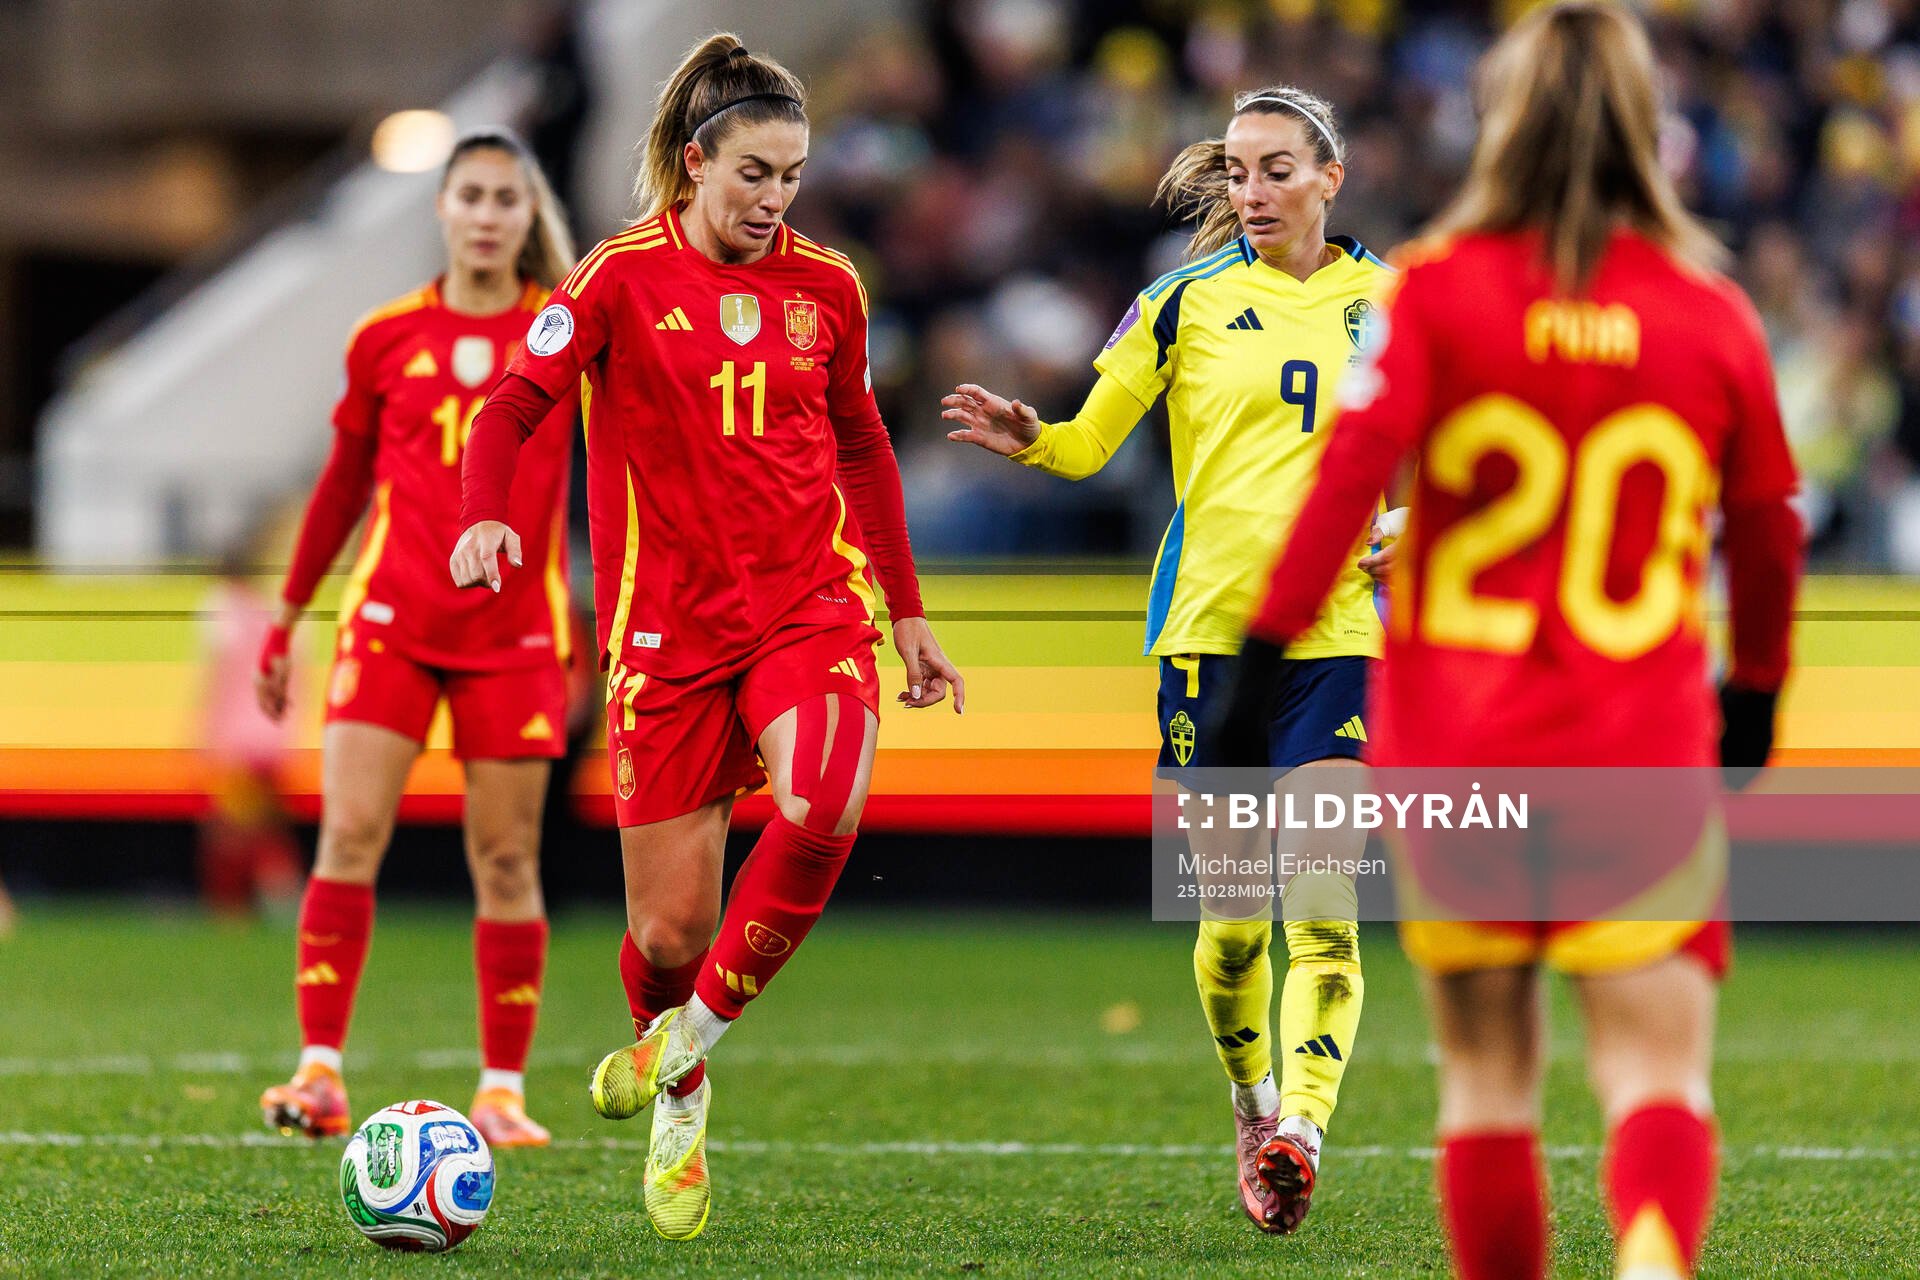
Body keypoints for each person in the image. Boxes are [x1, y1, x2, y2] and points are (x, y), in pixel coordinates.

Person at [1220, 5, 1801, 1278]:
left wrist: (1263, 658)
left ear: (1502, 123)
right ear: (1652, 132)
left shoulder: (1434, 291)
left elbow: (1348, 483)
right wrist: (1755, 700)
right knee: (1654, 1069)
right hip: (1635, 745)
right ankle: (1651, 1258)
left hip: (1462, 748)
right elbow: (1769, 535)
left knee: (1488, 1083)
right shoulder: (1710, 315)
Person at [451, 34, 961, 1241]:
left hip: (806, 605)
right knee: (667, 931)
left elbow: (863, 447)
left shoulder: (828, 285)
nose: (774, 200)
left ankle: (688, 1045)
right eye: (753, 175)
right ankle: (680, 1057)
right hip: (667, 636)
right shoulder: (616, 277)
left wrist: (907, 611)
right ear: (695, 163)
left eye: (791, 176)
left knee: (827, 797)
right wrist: (481, 518)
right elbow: (513, 402)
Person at [942, 85, 1396, 1234]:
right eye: (1238, 171)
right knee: (1237, 920)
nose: (1253, 192)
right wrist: (1031, 434)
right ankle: (1251, 1100)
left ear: (1329, 178)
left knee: (1327, 907)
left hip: (1337, 637)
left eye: (1277, 169)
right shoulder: (1183, 301)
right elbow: (1094, 439)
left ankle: (1302, 1127)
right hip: (1208, 638)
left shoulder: (1392, 303)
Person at [256, 129, 579, 1149]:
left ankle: (502, 1088)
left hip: (519, 631)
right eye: (469, 196)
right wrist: (290, 612)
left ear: (530, 218)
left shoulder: (567, 334)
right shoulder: (386, 336)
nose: (486, 215)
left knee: (507, 856)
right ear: (441, 210)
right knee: (349, 837)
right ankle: (317, 1072)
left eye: (504, 199)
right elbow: (343, 485)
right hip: (392, 620)